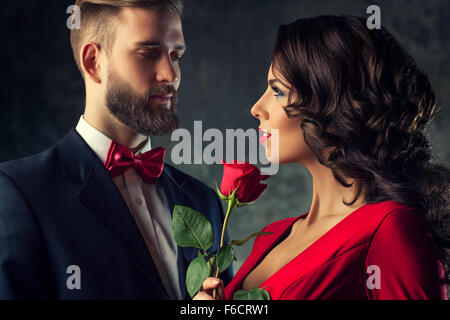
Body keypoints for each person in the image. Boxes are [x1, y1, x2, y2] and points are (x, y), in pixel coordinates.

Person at [195, 15, 449, 300]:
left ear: (332, 105)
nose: (257, 107)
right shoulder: (272, 235)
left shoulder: (391, 229)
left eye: (277, 91)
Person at [0, 0, 232, 299]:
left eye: (176, 56)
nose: (170, 74)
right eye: (148, 54)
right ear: (93, 61)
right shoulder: (19, 193)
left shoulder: (204, 201)